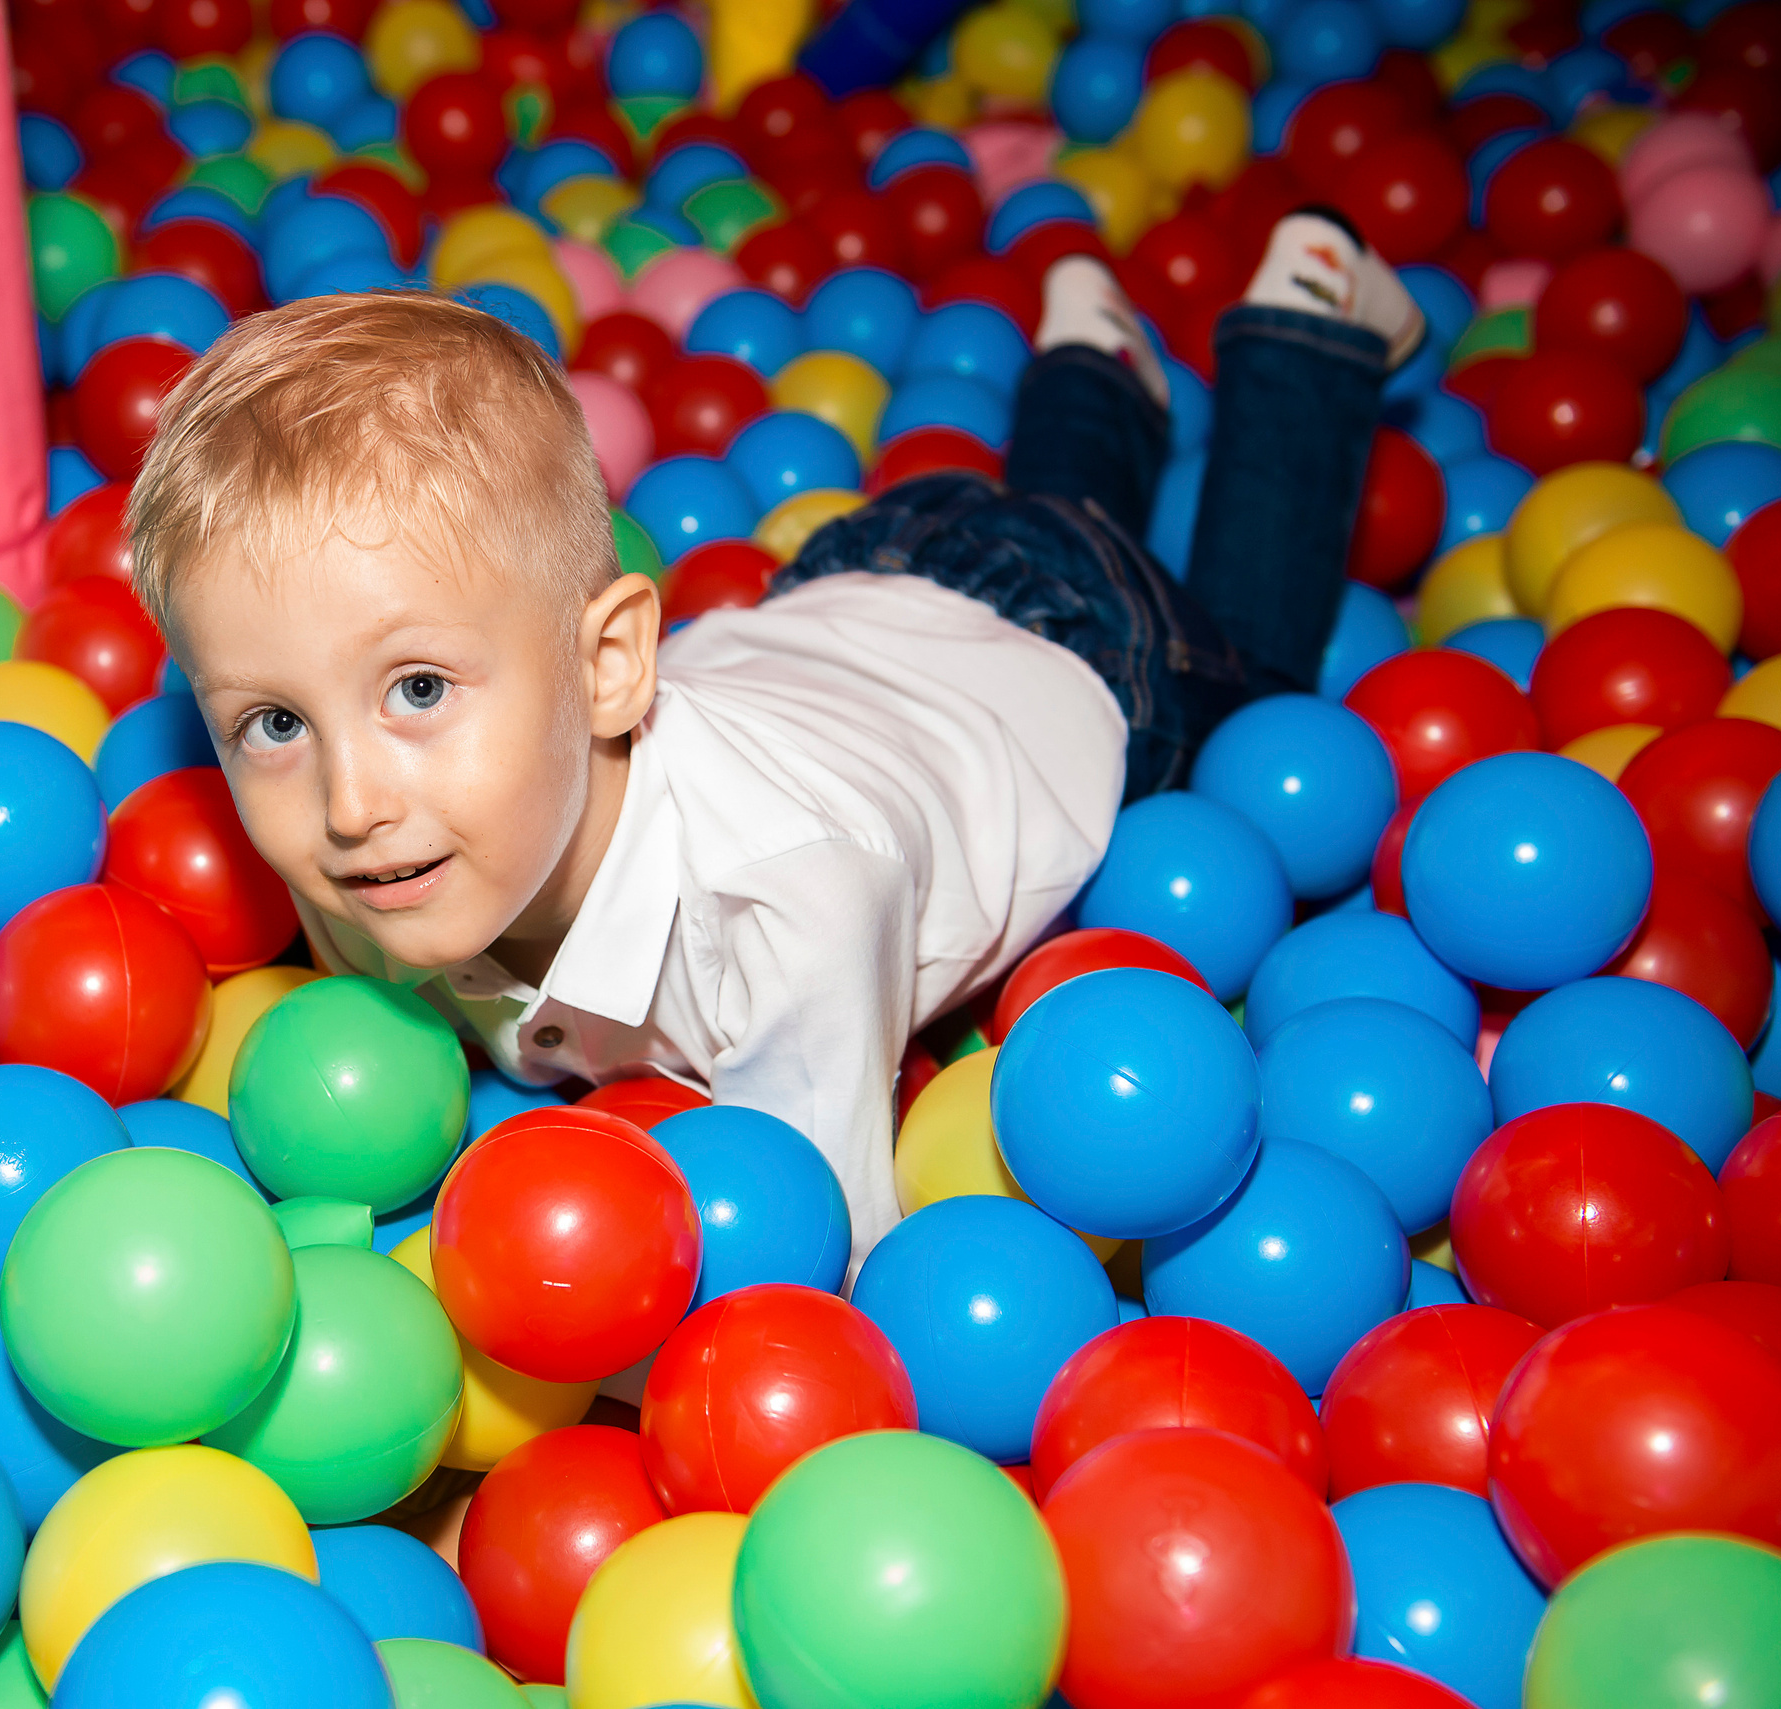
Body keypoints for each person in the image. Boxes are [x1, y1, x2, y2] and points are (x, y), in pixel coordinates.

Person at [125, 209, 1422, 1256]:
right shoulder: (381, 863)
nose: (350, 800)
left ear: (609, 668)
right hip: (854, 599)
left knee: (1254, 679)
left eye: (418, 690)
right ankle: (1094, 365)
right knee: (1054, 507)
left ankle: (1311, 320)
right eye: (275, 721)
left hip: (1070, 648)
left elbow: (813, 1265)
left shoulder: (783, 914)